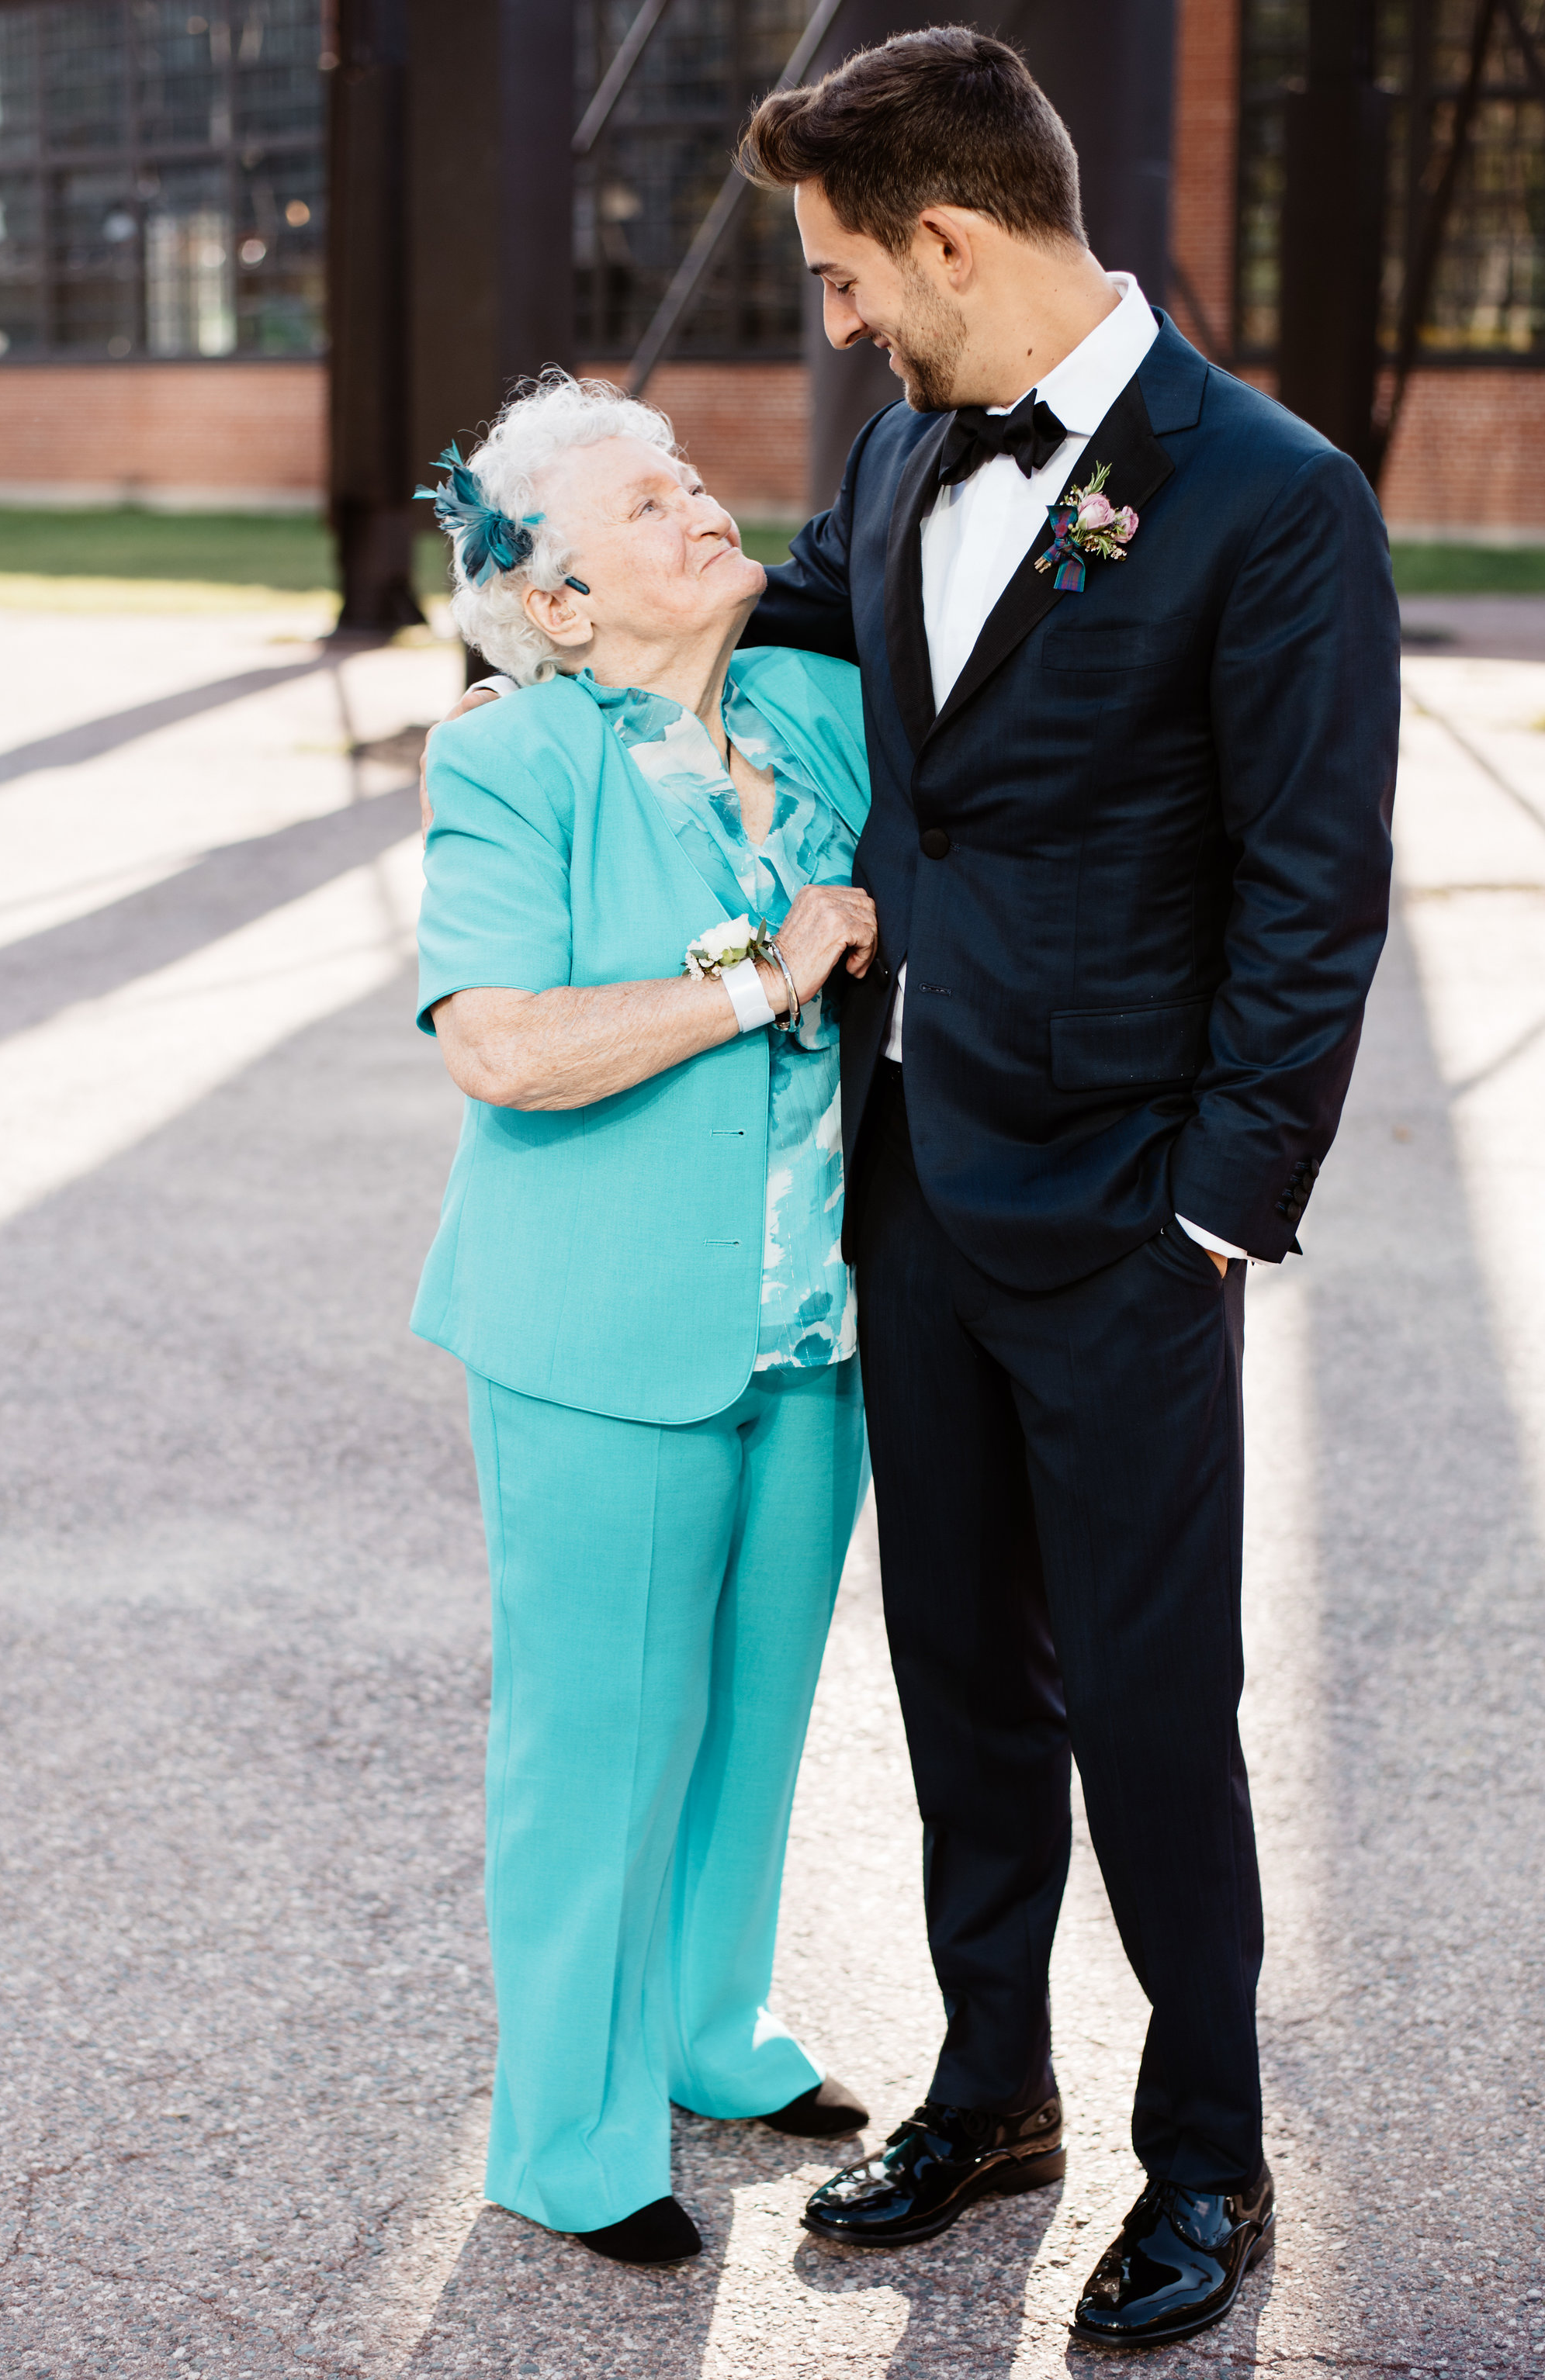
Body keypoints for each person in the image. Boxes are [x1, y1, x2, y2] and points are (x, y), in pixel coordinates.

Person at [735, 29, 1400, 2349]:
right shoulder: (906, 444)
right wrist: (568, 596)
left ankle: (1206, 2156)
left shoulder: (1269, 493)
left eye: (841, 278)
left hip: (1131, 1212)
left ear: (952, 234)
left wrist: (1218, 1208)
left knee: (1145, 1696)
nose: (838, 328)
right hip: (917, 1175)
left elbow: (1315, 886)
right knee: (958, 1683)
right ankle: (994, 2083)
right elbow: (812, 628)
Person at [410, 374, 879, 2267]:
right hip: (596, 1332)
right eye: (650, 497)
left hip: (820, 1325)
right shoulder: (513, 760)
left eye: (693, 474)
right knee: (599, 1738)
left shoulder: (816, 708)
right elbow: (504, 1043)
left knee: (759, 1713)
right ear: (564, 601)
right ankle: (569, 2133)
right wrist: (754, 968)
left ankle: (710, 2025)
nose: (703, 504)